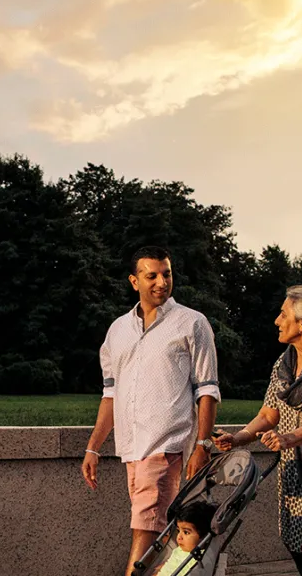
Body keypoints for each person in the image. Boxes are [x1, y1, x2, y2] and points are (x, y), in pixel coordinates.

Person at [81, 246, 222, 576]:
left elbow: (208, 389)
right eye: (152, 275)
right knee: (160, 530)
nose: (162, 281)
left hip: (167, 445)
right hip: (131, 448)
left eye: (167, 274)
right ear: (134, 281)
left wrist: (203, 445)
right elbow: (110, 394)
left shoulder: (192, 323)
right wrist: (93, 446)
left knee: (145, 528)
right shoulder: (117, 330)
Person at [215, 285, 302, 576]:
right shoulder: (285, 363)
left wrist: (289, 437)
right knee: (300, 548)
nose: (277, 320)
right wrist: (238, 438)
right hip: (293, 472)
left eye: (283, 314)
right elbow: (268, 413)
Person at [156, 501, 218, 576]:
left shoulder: (198, 560)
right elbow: (171, 563)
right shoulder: (180, 549)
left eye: (186, 532)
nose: (179, 537)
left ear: (204, 536)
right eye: (178, 531)